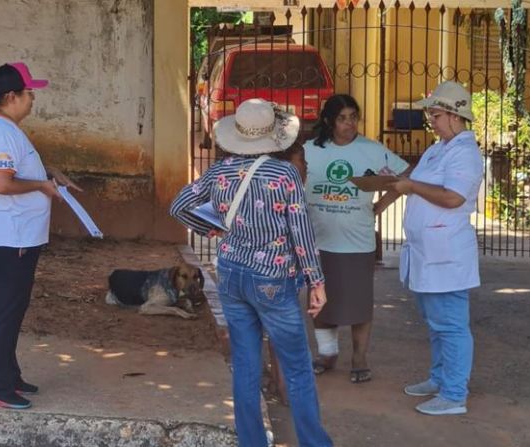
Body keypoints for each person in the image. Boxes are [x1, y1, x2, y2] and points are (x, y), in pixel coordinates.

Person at [170, 99, 333, 447]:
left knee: (245, 365)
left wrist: (211, 229)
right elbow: (301, 232)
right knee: (298, 367)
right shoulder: (285, 174)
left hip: (231, 274)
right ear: (275, 136)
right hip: (272, 279)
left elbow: (178, 205)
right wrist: (316, 281)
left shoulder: (220, 172)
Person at [0, 62, 81, 410]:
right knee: (5, 309)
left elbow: (13, 169)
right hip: (11, 236)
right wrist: (43, 187)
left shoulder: (6, 129)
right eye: (29, 92)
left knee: (14, 307)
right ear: (10, 96)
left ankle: (9, 375)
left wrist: (49, 173)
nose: (33, 98)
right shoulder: (2, 132)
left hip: (19, 236)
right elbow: (2, 183)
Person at [389, 81, 483, 416]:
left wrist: (412, 185)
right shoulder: (438, 148)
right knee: (435, 322)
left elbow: (453, 197)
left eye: (436, 113)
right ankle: (440, 378)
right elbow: (421, 182)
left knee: (452, 325)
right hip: (427, 253)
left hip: (446, 255)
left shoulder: (465, 153)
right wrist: (400, 180)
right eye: (430, 112)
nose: (431, 118)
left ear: (456, 116)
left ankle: (454, 394)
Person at [304, 94, 410, 383]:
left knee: (359, 302)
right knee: (320, 300)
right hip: (318, 238)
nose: (349, 123)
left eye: (353, 117)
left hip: (357, 239)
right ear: (328, 120)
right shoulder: (310, 150)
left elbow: (406, 174)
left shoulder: (372, 150)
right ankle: (326, 354)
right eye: (342, 118)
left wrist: (380, 205)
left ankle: (359, 358)